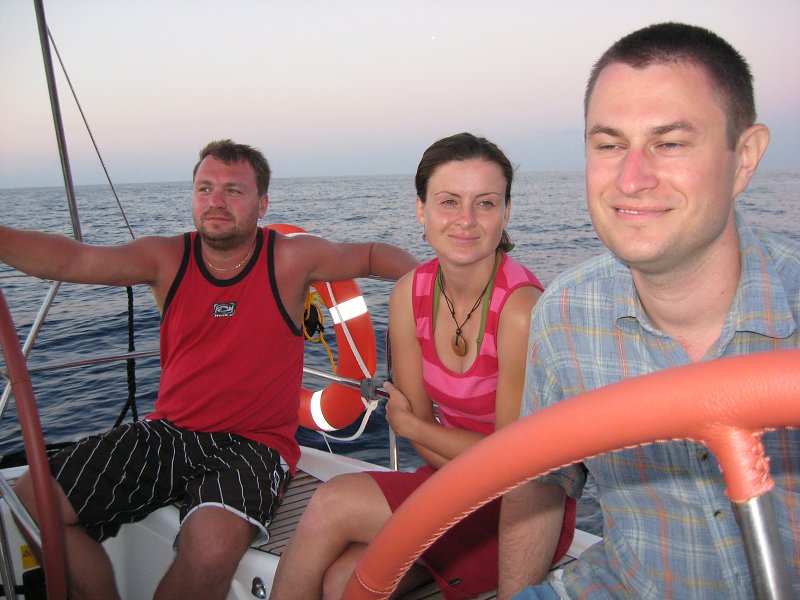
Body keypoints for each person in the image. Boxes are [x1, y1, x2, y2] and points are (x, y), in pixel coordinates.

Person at [1, 139, 417, 600]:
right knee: (31, 498)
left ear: (262, 204)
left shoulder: (290, 258)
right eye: (205, 188)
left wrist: (431, 293)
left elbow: (373, 254)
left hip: (255, 444)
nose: (216, 201)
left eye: (233, 191)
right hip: (170, 431)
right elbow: (75, 259)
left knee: (210, 550)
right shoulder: (166, 258)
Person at [498, 22, 800, 599]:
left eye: (671, 143)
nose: (632, 179)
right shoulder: (564, 316)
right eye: (609, 145)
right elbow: (538, 483)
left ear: (744, 158)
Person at [269, 132, 576, 600]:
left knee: (333, 502)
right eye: (449, 201)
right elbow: (420, 439)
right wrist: (427, 436)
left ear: (507, 213)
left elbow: (511, 466)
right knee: (339, 583)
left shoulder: (520, 310)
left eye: (485, 203)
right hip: (447, 484)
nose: (466, 220)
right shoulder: (409, 294)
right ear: (421, 210)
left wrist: (417, 427)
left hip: (516, 511)